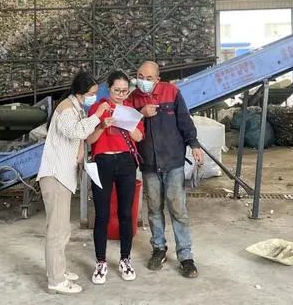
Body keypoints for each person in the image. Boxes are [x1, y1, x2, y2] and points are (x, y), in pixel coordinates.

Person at [128, 61, 203, 278]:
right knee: (154, 210)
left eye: (149, 78)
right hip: (149, 163)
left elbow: (185, 122)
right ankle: (159, 249)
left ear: (158, 79)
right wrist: (140, 113)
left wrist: (194, 145)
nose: (143, 81)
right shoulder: (133, 98)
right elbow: (125, 123)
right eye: (140, 76)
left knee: (178, 210)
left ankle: (185, 256)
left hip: (173, 162)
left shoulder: (172, 92)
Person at [37, 71, 110, 294]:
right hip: (56, 176)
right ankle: (56, 281)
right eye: (91, 94)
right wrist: (98, 116)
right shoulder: (67, 109)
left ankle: (57, 270)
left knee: (63, 229)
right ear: (80, 92)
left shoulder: (76, 107)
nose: (94, 98)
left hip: (63, 177)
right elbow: (75, 131)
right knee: (57, 231)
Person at [86, 71, 144, 284]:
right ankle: (100, 261)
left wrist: (126, 123)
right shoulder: (98, 108)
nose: (120, 94)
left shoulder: (130, 110)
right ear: (108, 88)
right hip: (103, 162)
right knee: (102, 214)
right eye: (116, 90)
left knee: (125, 213)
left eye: (124, 91)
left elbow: (139, 137)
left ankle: (125, 259)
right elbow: (89, 139)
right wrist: (103, 125)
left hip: (126, 162)